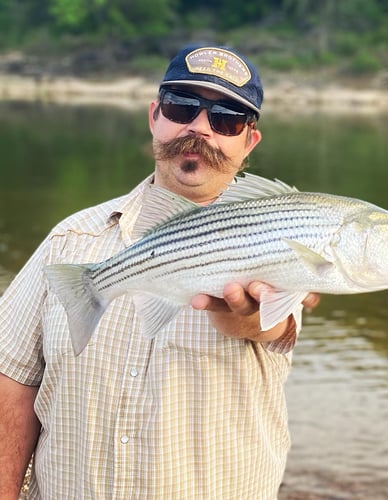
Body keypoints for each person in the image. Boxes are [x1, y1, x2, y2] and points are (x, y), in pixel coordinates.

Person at [0, 44, 319, 499]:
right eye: (182, 107)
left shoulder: (279, 239)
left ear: (249, 141)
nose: (199, 128)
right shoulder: (71, 240)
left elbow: (276, 328)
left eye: (226, 119)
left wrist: (247, 318)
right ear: (155, 116)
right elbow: (12, 378)